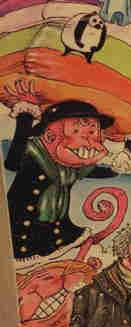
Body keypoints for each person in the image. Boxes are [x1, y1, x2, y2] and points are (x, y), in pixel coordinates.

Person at [2, 94, 118, 261]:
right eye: (77, 131)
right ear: (50, 137)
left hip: (57, 234)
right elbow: (12, 163)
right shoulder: (33, 154)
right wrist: (25, 118)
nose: (91, 142)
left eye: (93, 133)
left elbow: (91, 171)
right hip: (21, 237)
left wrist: (115, 168)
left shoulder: (67, 167)